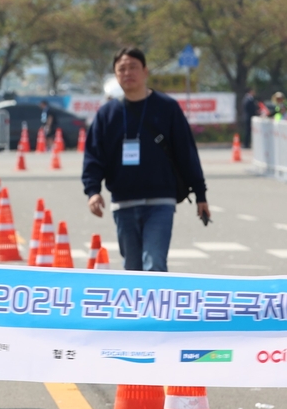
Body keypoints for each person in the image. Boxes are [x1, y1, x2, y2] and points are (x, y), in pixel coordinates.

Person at [83, 47, 209, 273]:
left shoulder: (167, 108)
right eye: (121, 69)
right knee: (132, 269)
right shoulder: (107, 114)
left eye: (133, 67)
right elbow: (94, 156)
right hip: (123, 203)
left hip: (160, 202)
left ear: (145, 72)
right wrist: (93, 191)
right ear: (115, 75)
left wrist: (200, 194)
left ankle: (156, 309)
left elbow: (186, 152)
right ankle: (137, 310)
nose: (127, 72)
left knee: (155, 265)